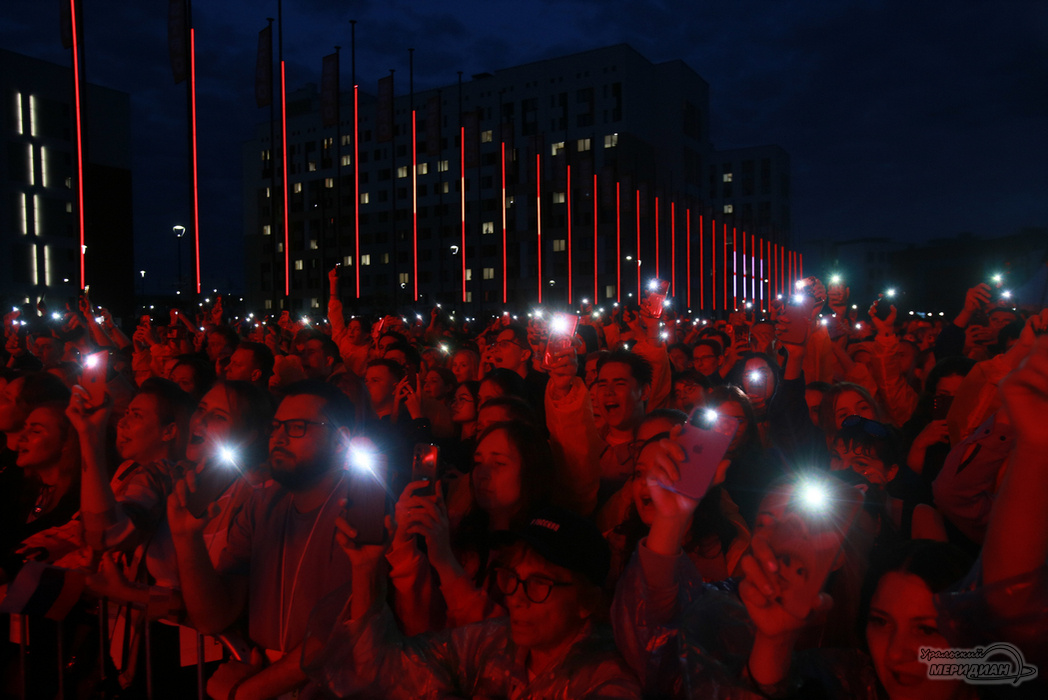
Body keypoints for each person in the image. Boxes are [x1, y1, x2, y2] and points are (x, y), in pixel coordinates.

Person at [310, 505, 641, 698]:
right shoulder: (493, 642)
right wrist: (366, 569)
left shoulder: (608, 681)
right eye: (511, 577)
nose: (517, 599)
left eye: (539, 584)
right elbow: (382, 671)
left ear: (587, 601)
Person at [167, 380, 358, 699]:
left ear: (340, 442)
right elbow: (214, 616)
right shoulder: (262, 503)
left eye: (297, 427)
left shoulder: (359, 508)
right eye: (276, 426)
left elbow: (335, 633)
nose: (280, 437)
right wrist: (186, 538)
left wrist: (245, 693)